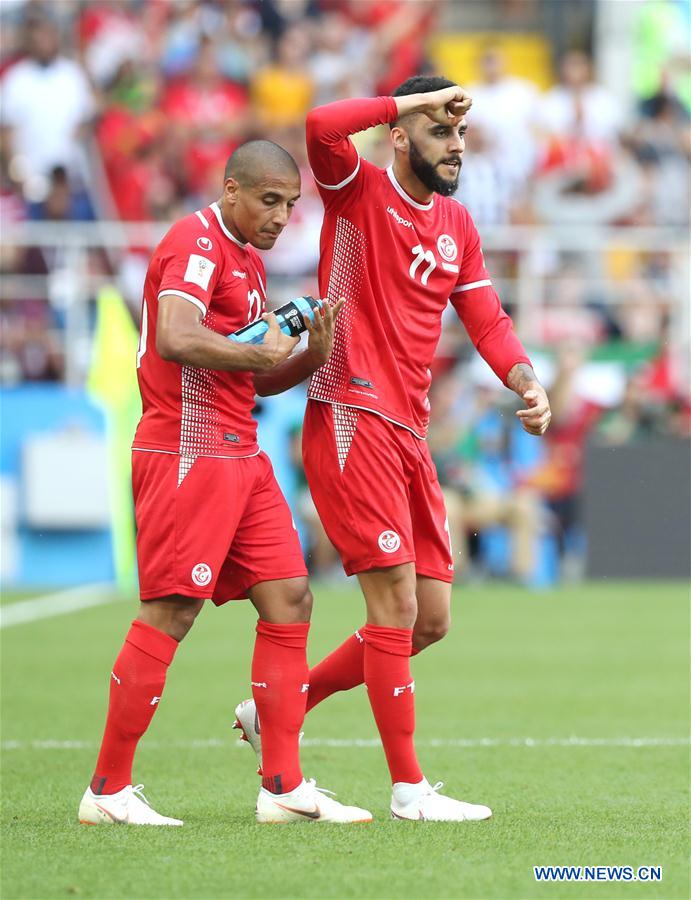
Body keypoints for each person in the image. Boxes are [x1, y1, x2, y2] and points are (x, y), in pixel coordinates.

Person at [234, 78, 551, 822]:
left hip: (408, 430)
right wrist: (413, 99)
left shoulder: (457, 224)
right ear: (402, 135)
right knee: (394, 601)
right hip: (348, 413)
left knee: (428, 619)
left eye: (461, 135)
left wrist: (525, 380)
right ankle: (408, 789)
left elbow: (486, 317)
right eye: (441, 131)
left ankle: (283, 708)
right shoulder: (356, 189)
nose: (455, 146)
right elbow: (319, 122)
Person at [79, 140, 371, 827]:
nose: (279, 217)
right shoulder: (197, 242)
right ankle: (107, 789)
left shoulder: (242, 257)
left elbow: (255, 373)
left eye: (290, 205)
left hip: (240, 449)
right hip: (189, 447)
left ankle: (282, 786)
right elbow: (173, 338)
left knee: (290, 598)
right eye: (269, 200)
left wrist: (311, 356)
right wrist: (252, 348)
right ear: (231, 188)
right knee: (172, 610)